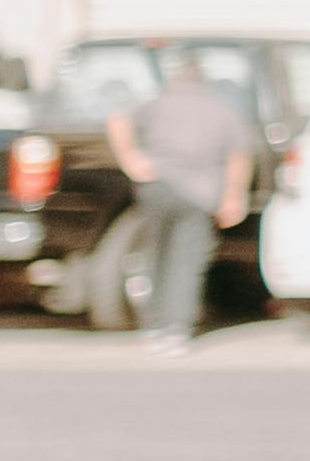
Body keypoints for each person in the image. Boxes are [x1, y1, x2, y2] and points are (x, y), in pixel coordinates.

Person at [99, 51, 255, 353]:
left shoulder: (160, 102)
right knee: (186, 261)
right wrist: (234, 197)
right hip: (198, 193)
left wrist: (131, 159)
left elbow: (117, 118)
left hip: (157, 186)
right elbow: (239, 156)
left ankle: (154, 326)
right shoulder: (222, 109)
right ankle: (175, 329)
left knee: (156, 253)